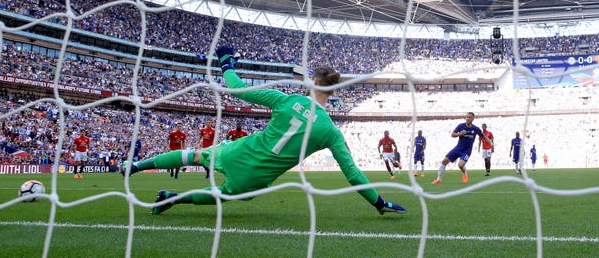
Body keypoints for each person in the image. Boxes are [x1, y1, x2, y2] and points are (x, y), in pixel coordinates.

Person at [121, 45, 406, 216]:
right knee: (227, 194)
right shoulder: (331, 132)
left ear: (313, 81)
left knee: (195, 156)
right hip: (256, 176)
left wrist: (226, 62)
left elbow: (237, 88)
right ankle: (173, 197)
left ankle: (136, 165)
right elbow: (352, 174)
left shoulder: (285, 100)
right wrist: (379, 202)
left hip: (240, 151)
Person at [432, 112, 491, 185]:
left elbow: (483, 136)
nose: (468, 118)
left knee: (460, 165)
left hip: (467, 151)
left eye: (469, 117)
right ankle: (439, 179)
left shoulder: (476, 129)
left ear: (473, 118)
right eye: (467, 117)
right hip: (458, 148)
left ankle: (465, 173)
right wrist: (460, 134)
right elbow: (452, 135)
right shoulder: (461, 126)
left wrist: (490, 143)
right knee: (444, 161)